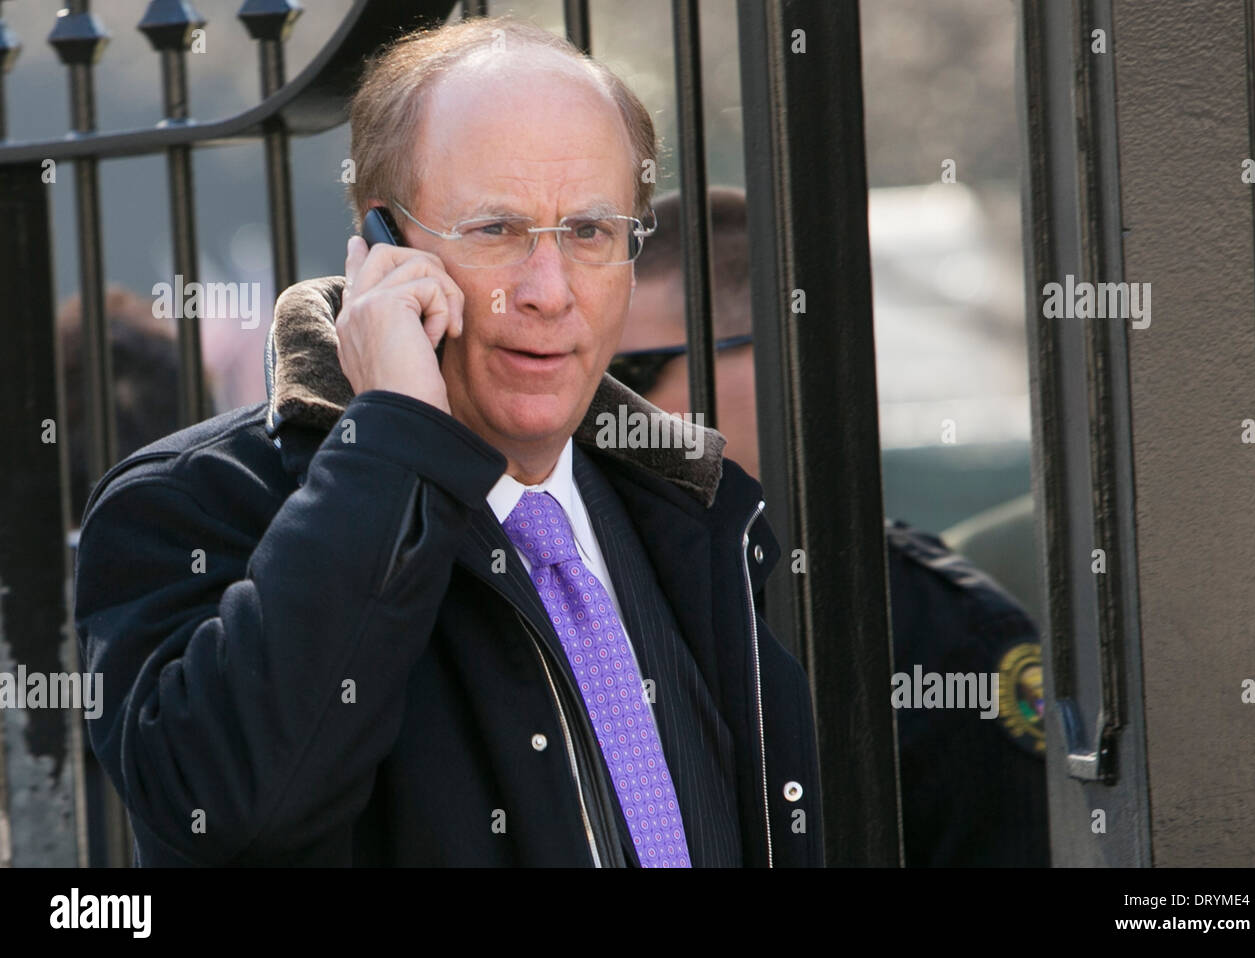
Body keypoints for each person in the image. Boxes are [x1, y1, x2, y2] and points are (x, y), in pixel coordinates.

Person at [73, 16, 823, 867]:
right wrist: (394, 440)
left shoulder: (696, 513)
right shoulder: (195, 504)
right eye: (496, 230)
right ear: (383, 248)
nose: (547, 292)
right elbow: (233, 813)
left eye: (588, 232)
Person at [613, 187, 1048, 866]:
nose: (590, 414)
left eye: (625, 375)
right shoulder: (574, 589)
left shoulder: (939, 633)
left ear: (772, 359)